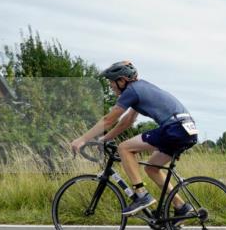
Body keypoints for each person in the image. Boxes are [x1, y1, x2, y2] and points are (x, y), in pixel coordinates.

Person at [70, 61, 198, 216]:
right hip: (187, 129)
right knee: (152, 168)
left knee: (124, 148)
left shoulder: (131, 91)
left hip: (174, 128)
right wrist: (104, 139)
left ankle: (142, 195)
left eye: (112, 81)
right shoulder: (141, 88)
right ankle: (181, 207)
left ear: (122, 80)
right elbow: (127, 121)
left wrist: (82, 139)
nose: (111, 86)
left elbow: (109, 120)